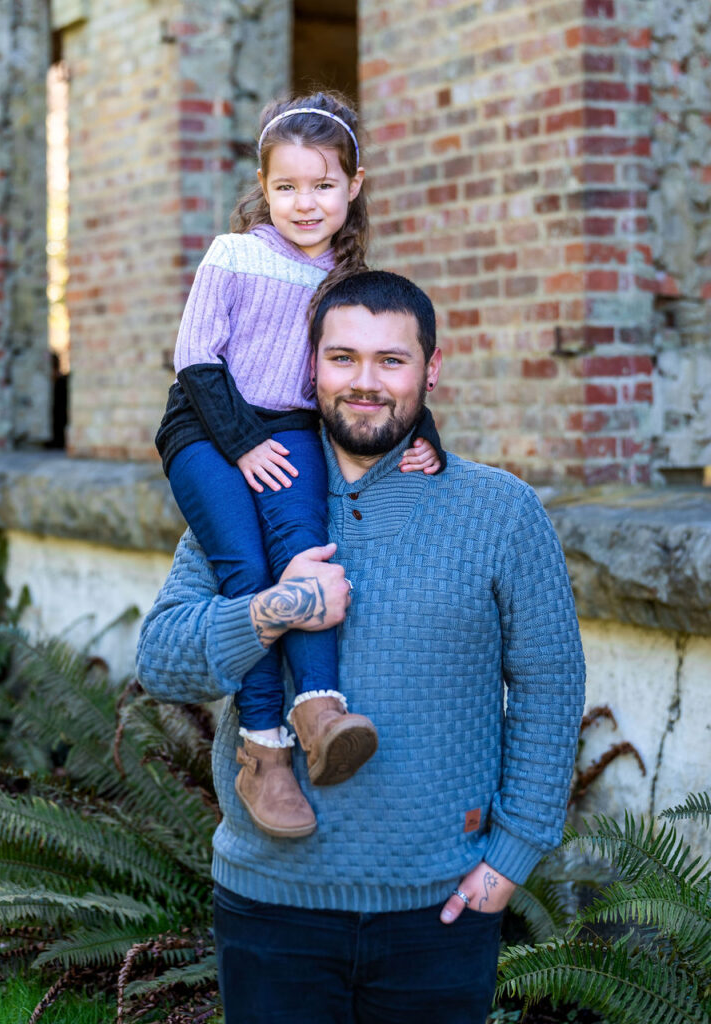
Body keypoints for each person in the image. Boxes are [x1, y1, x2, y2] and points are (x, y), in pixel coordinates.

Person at [137, 270, 586, 1024]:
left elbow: (548, 685)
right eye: (342, 358)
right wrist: (274, 609)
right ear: (309, 368)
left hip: (439, 909)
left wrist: (511, 858)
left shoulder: (499, 510)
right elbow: (160, 660)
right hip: (271, 905)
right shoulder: (244, 497)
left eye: (391, 360)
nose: (365, 382)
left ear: (431, 369)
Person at [155, 92, 443, 840]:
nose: (304, 203)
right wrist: (243, 443)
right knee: (245, 572)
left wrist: (426, 434)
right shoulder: (236, 253)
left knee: (305, 554)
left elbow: (375, 364)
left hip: (287, 427)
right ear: (263, 186)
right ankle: (264, 749)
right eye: (286, 186)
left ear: (354, 184)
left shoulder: (344, 282)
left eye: (321, 185)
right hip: (206, 424)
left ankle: (318, 710)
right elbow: (193, 358)